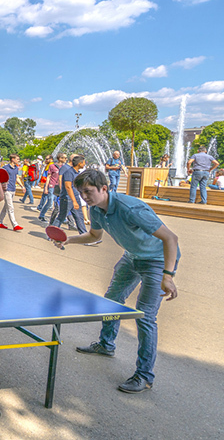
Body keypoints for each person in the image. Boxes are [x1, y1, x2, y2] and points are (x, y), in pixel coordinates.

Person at [55, 169, 179, 394]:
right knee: (111, 301)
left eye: (89, 191)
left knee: (145, 316)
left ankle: (144, 376)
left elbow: (171, 238)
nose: (84, 196)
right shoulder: (96, 210)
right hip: (132, 256)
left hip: (156, 261)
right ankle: (106, 344)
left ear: (104, 188)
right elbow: (95, 236)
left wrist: (167, 275)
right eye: (81, 192)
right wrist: (68, 240)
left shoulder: (130, 208)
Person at [54, 154, 86, 234]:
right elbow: (68, 187)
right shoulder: (69, 172)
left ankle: (84, 235)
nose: (85, 164)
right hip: (67, 198)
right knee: (61, 217)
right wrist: (74, 201)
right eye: (84, 162)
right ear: (79, 164)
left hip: (75, 196)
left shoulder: (77, 172)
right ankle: (51, 233)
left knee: (79, 217)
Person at [0, 154, 24, 232]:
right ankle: (15, 225)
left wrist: (22, 186)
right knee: (10, 207)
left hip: (13, 189)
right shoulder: (5, 168)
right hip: (7, 190)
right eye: (17, 159)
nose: (18, 160)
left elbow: (16, 178)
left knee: (6, 207)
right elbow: (0, 176)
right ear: (12, 159)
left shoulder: (16, 168)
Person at [39, 154, 64, 222]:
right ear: (60, 158)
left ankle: (62, 218)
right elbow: (48, 177)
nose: (66, 159)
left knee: (59, 203)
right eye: (64, 158)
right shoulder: (52, 166)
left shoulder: (64, 167)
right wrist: (46, 188)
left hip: (59, 187)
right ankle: (42, 215)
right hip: (52, 186)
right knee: (50, 202)